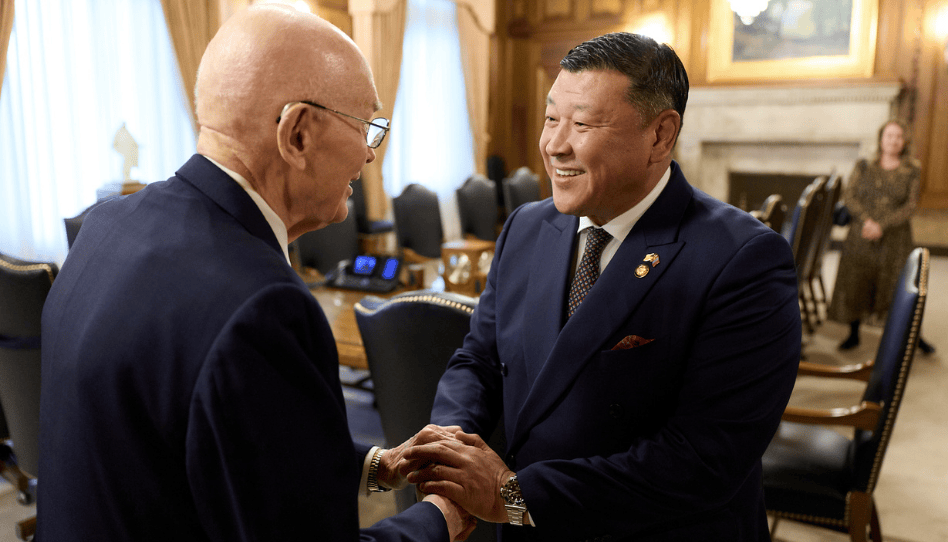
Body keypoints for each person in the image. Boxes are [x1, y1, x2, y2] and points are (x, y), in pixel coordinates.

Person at [37, 6, 472, 541]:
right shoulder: (264, 306)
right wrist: (439, 518)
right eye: (366, 126)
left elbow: (195, 439)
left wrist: (372, 465)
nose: (368, 153)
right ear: (298, 135)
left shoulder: (107, 224)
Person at [395, 33, 802, 541]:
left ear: (660, 135)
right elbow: (479, 359)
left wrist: (512, 495)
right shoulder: (526, 226)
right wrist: (448, 447)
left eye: (582, 124)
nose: (554, 145)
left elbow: (704, 458)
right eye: (551, 119)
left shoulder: (744, 259)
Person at [830, 119, 935, 354]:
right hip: (861, 234)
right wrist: (867, 221)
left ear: (904, 141)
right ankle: (853, 333)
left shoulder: (912, 169)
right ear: (881, 139)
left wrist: (882, 226)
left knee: (898, 287)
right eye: (889, 135)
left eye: (899, 136)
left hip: (895, 239)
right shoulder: (864, 165)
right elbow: (849, 195)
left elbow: (910, 205)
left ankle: (913, 336)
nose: (893, 140)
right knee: (857, 283)